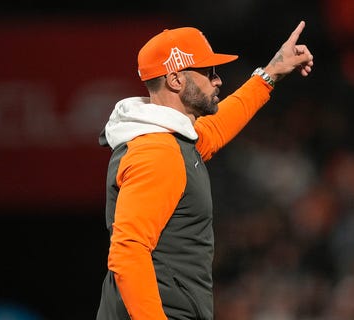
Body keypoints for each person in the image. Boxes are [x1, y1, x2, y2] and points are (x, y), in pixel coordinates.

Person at [96, 21, 314, 320]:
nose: (218, 80)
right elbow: (128, 252)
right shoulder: (157, 153)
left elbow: (216, 127)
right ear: (175, 80)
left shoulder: (171, 140)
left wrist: (271, 73)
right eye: (208, 72)